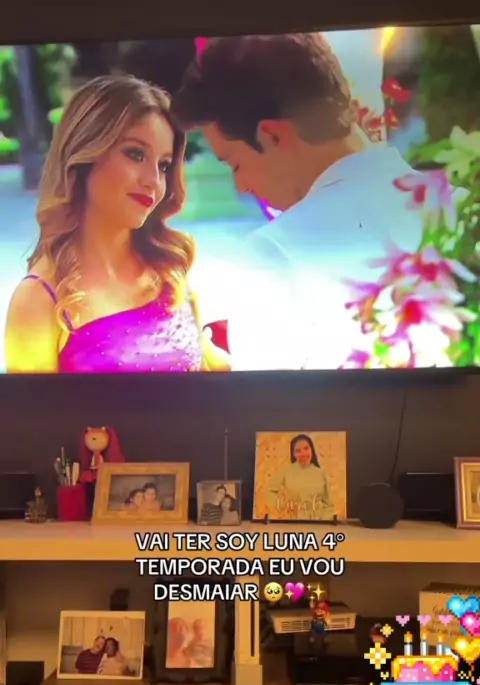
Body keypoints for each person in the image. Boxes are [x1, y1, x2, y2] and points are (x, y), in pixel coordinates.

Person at [172, 33, 426, 369]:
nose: (242, 186)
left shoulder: (274, 252)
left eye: (235, 164)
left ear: (272, 135)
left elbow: (264, 401)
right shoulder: (462, 208)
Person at [5, 74, 229, 373]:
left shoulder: (170, 273)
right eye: (135, 154)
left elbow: (211, 374)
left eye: (163, 165)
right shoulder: (39, 298)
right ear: (84, 155)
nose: (153, 181)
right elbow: (31, 406)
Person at [267, 434, 334, 521]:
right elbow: (270, 491)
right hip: (294, 521)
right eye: (298, 451)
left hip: (319, 522)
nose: (303, 453)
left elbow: (329, 505)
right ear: (293, 454)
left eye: (306, 448)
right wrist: (283, 506)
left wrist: (324, 521)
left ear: (312, 450)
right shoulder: (286, 471)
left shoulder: (321, 473)